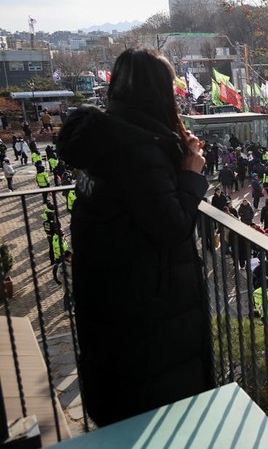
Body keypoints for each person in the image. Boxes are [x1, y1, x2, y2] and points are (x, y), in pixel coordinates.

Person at [56, 47, 216, 426]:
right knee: (160, 423)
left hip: (114, 307)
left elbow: (142, 208)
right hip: (148, 320)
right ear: (156, 92)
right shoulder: (137, 150)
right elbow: (172, 225)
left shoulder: (110, 139)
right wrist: (192, 172)